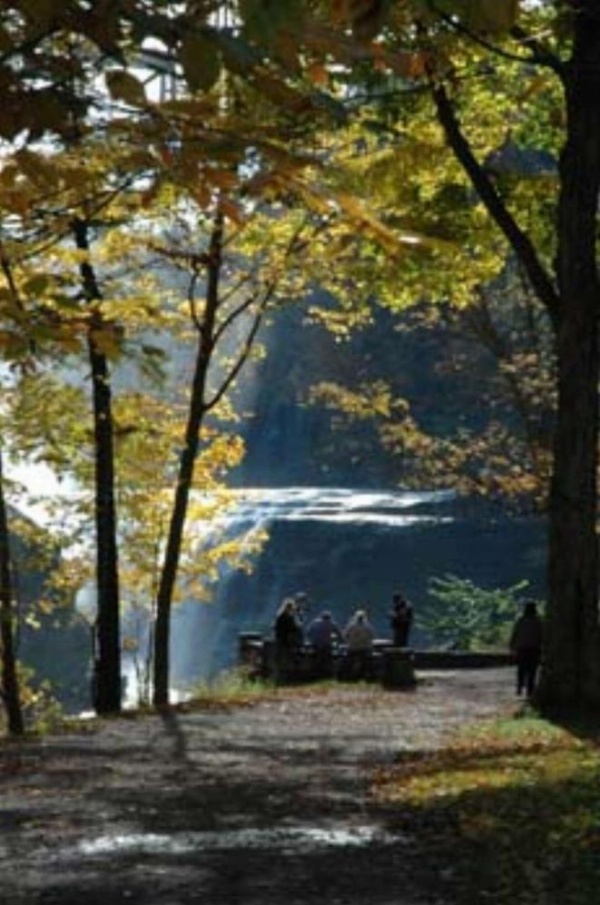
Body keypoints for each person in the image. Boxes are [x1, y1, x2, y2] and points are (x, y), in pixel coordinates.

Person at [509, 600, 543, 697]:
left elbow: (515, 633)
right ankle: (530, 690)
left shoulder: (521, 620)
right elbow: (542, 635)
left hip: (522, 648)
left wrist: (512, 645)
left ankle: (519, 688)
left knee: (521, 669)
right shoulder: (538, 621)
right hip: (534, 648)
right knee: (532, 670)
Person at [306, 610, 343, 678]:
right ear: (329, 618)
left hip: (315, 645)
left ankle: (315, 672)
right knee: (328, 657)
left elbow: (308, 633)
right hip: (326, 646)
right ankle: (327, 673)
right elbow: (339, 634)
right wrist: (339, 641)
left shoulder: (314, 622)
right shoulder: (331, 624)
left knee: (316, 657)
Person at [274, 597, 303, 681]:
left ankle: (278, 674)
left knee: (279, 658)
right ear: (289, 608)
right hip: (287, 640)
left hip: (279, 639)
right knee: (295, 655)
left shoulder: (279, 615)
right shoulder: (288, 617)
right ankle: (295, 673)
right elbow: (294, 628)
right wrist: (299, 622)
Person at [344, 608, 375, 680]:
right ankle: (367, 674)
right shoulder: (368, 626)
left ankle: (350, 674)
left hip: (353, 648)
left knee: (350, 658)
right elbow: (372, 636)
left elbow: (345, 635)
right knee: (367, 659)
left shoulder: (351, 626)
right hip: (365, 648)